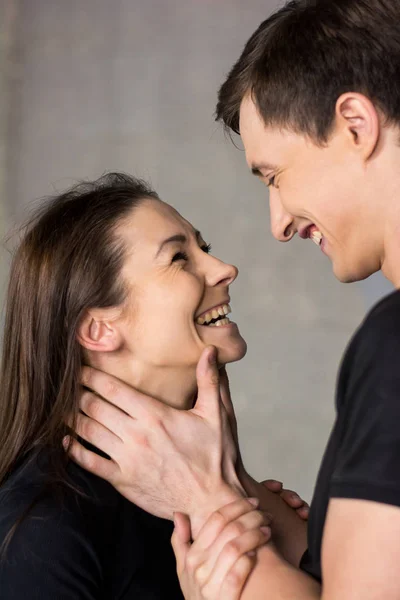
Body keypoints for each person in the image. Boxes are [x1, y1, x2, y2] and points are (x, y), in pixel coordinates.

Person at [65, 0, 400, 598]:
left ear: (355, 124)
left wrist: (203, 494)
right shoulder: (44, 526)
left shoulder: (394, 343)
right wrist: (247, 500)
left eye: (274, 175)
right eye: (178, 256)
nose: (277, 223)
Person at [0, 172, 307, 599]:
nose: (224, 269)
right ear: (99, 329)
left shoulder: (219, 482)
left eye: (205, 249)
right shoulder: (41, 526)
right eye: (180, 259)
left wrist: (243, 498)